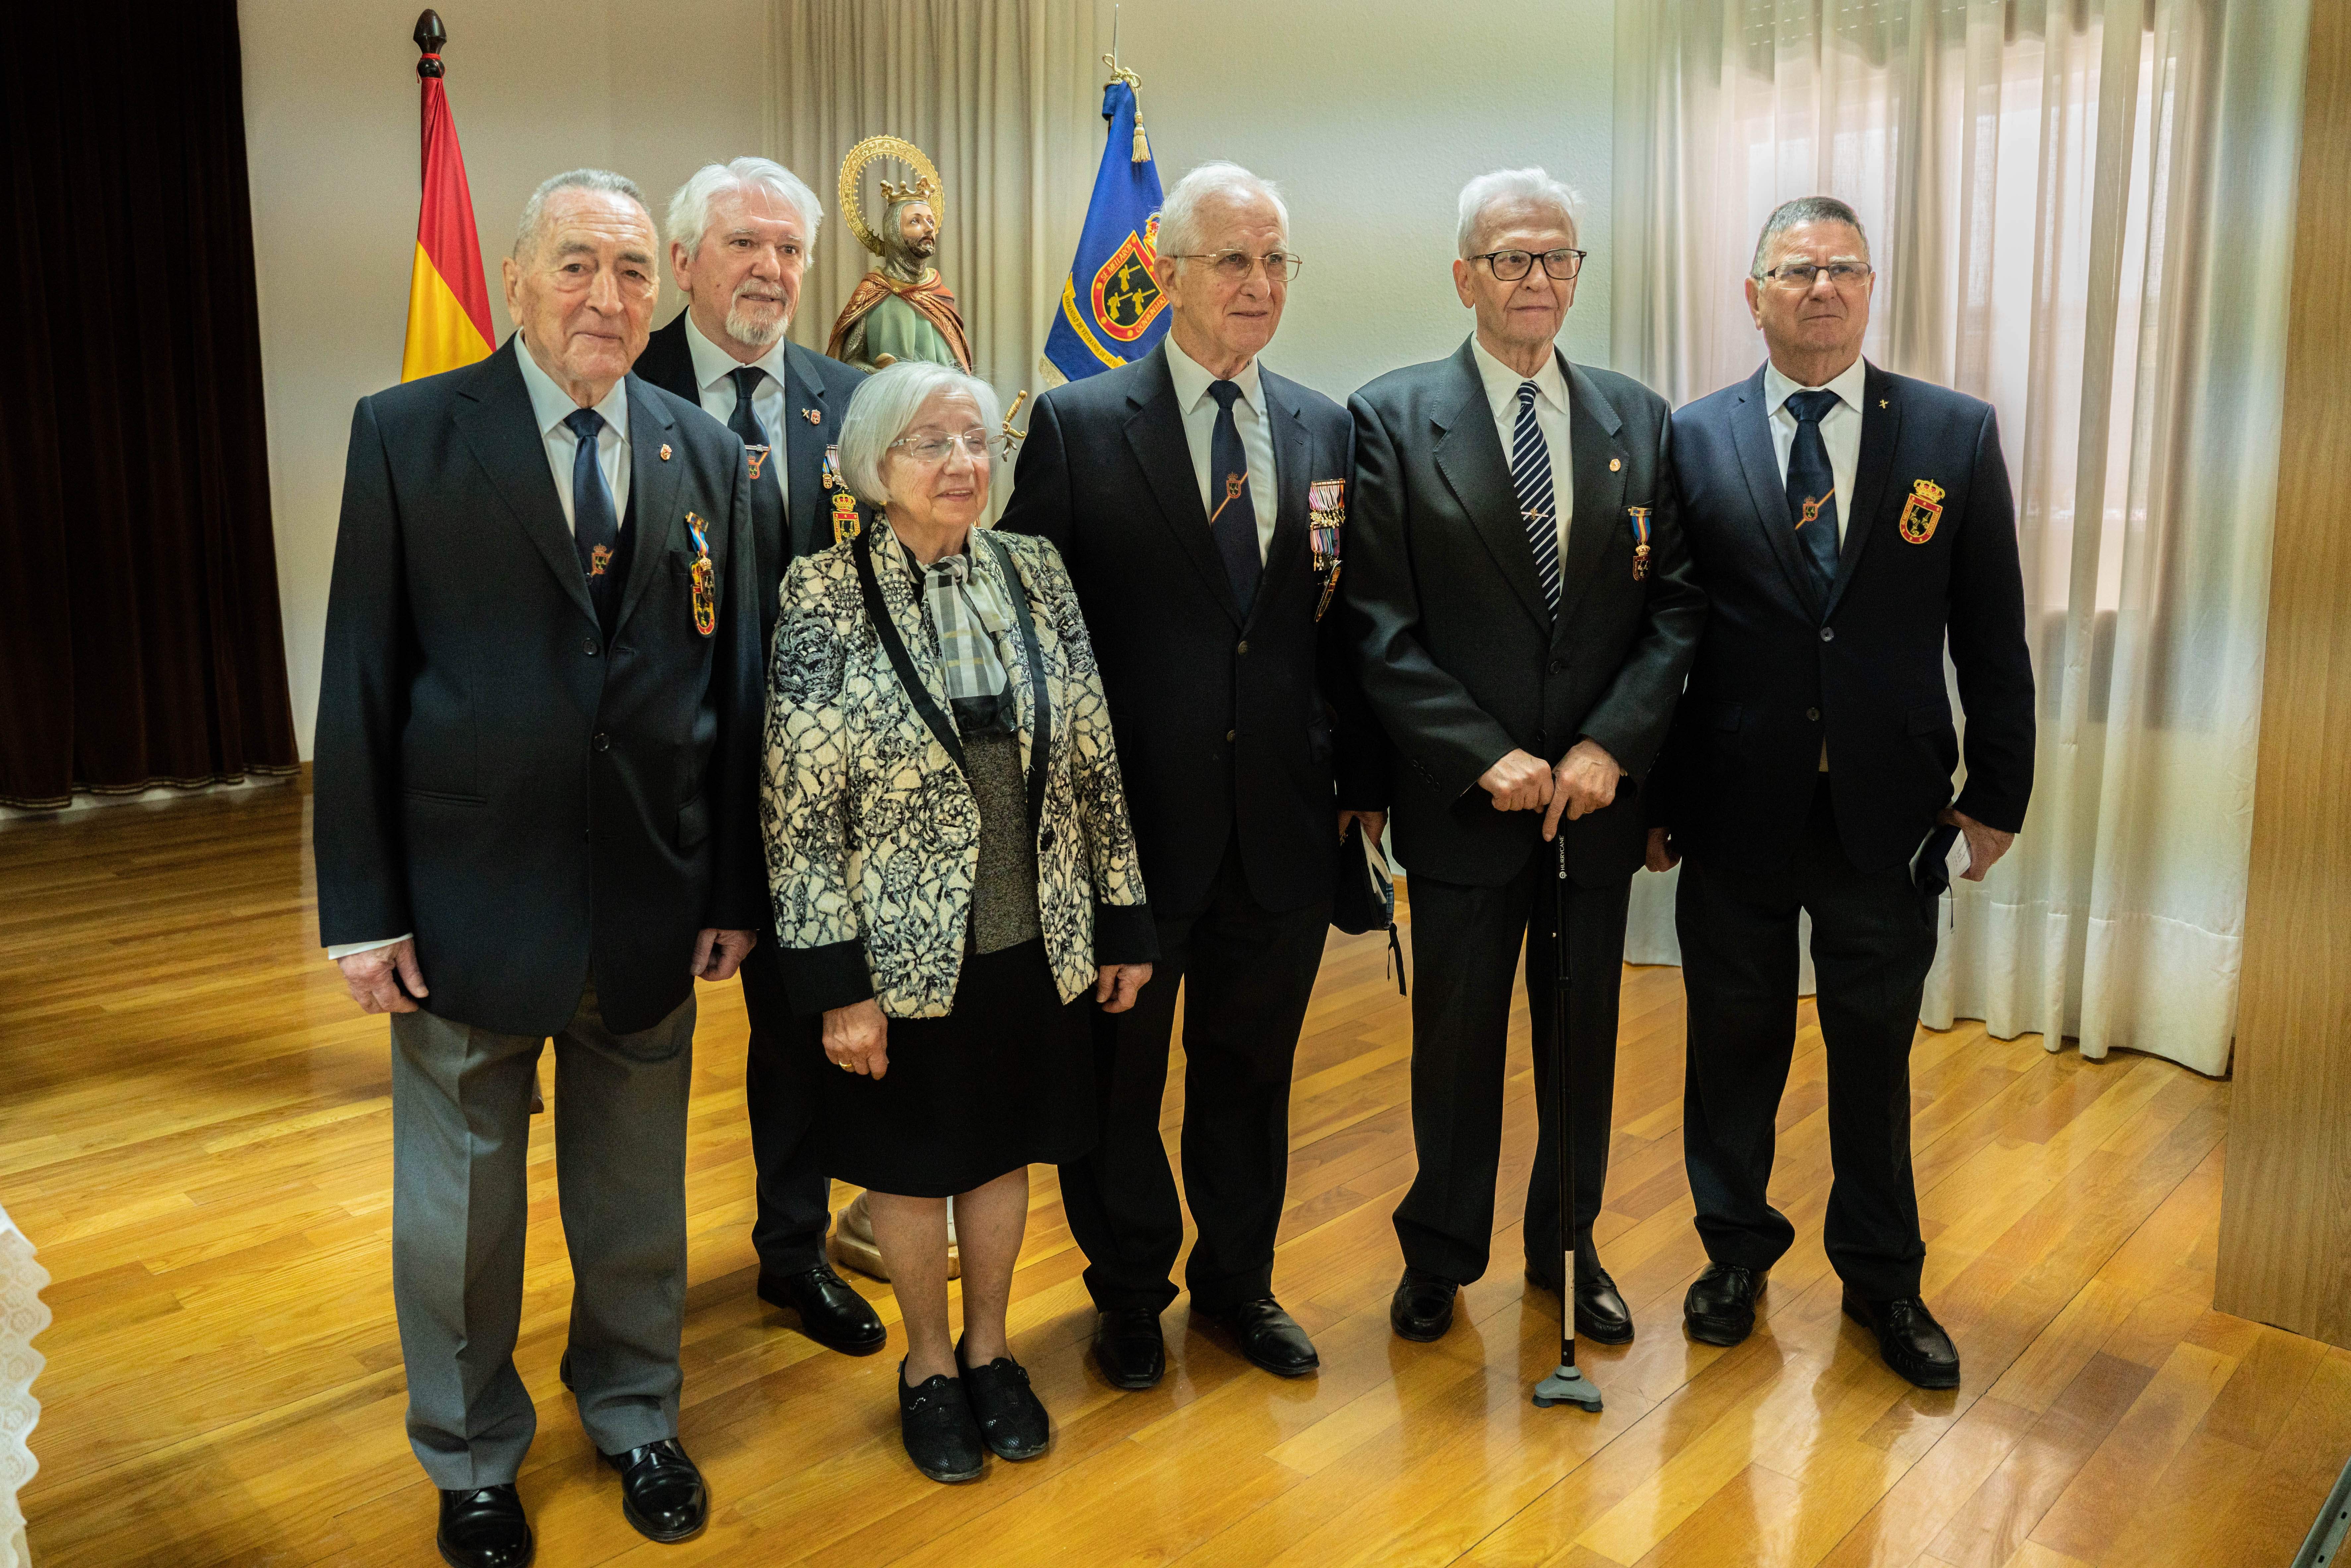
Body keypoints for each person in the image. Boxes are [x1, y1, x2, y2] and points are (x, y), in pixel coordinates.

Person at [314, 168, 759, 1566]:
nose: (606, 297)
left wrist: (733, 882)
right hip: (466, 901)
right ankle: (468, 1449)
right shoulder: (405, 433)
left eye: (631, 272)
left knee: (635, 1194)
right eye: (577, 265)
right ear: (516, 280)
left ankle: (634, 1407)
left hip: (648, 892)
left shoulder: (699, 445)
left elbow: (728, 683)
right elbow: (361, 680)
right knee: (460, 1209)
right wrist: (363, 907)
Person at [999, 161, 1390, 1391]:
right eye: (1232, 261)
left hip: (1277, 824)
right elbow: (1036, 641)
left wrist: (1357, 791)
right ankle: (1126, 1291)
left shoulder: (1328, 429)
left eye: (1275, 261)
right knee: (1115, 1086)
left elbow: (1343, 629)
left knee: (1248, 1077)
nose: (1258, 284)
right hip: (1131, 834)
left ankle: (1236, 1284)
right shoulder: (1075, 426)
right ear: (1162, 275)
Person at [1651, 196, 2033, 1388]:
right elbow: (1668, 632)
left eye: (1842, 269)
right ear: (1751, 294)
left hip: (1887, 815)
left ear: (1869, 290)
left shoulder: (1950, 434)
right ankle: (1732, 1254)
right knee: (1731, 1046)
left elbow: (1990, 630)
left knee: (1871, 1055)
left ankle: (1882, 1281)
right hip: (1731, 811)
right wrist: (1657, 798)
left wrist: (1997, 793)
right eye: (1794, 269)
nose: (1820, 288)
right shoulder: (1689, 438)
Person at [763, 361, 1155, 1482]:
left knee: (1002, 1147)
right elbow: (797, 801)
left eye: (977, 441)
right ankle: (927, 1366)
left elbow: (1091, 751)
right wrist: (838, 983)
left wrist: (1122, 920)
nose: (962, 465)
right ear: (875, 466)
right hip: (897, 952)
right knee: (910, 1159)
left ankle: (992, 1353)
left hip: (1033, 932)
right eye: (932, 443)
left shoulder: (1037, 570)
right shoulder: (823, 592)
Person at [1347, 168, 1705, 1350]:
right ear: (1464, 276)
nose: (1536, 278)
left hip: (1594, 808)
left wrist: (1613, 746)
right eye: (1510, 258)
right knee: (1453, 1050)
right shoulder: (1391, 418)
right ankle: (1439, 1255)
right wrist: (1482, 754)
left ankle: (1568, 1248)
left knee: (1580, 1044)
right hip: (1465, 808)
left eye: (1557, 258)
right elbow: (1375, 625)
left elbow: (1675, 613)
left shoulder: (1636, 420)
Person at [633, 155, 885, 1358]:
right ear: (683, 262)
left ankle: (791, 1253)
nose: (771, 272)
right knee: (631, 1049)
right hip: (656, 791)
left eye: (789, 249)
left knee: (798, 1036)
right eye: (744, 245)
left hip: (811, 796)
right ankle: (627, 1299)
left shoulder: (852, 404)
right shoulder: (618, 389)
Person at [826, 143, 974, 373]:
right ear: (893, 232)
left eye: (931, 222)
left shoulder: (939, 296)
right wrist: (880, 375)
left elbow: (960, 368)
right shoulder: (872, 295)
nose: (928, 228)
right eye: (915, 221)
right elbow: (845, 367)